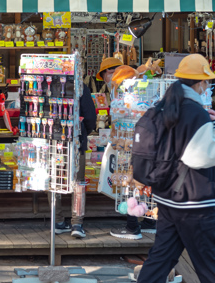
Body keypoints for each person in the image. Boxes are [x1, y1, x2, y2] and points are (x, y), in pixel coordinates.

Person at [118, 54, 215, 283]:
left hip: (168, 197)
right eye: (206, 83)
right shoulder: (196, 113)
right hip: (194, 199)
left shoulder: (164, 106)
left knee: (163, 255)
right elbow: (204, 156)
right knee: (209, 258)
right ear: (200, 83)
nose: (207, 88)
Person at [105, 65, 159, 240]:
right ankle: (150, 221)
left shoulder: (124, 97)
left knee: (130, 187)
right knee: (143, 183)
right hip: (147, 146)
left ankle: (132, 226)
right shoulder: (148, 93)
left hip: (130, 146)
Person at [54, 83, 97, 239]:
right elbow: (90, 117)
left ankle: (57, 220)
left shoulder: (49, 83)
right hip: (76, 140)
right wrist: (84, 131)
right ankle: (77, 223)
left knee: (56, 179)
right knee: (78, 183)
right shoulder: (80, 86)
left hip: (53, 140)